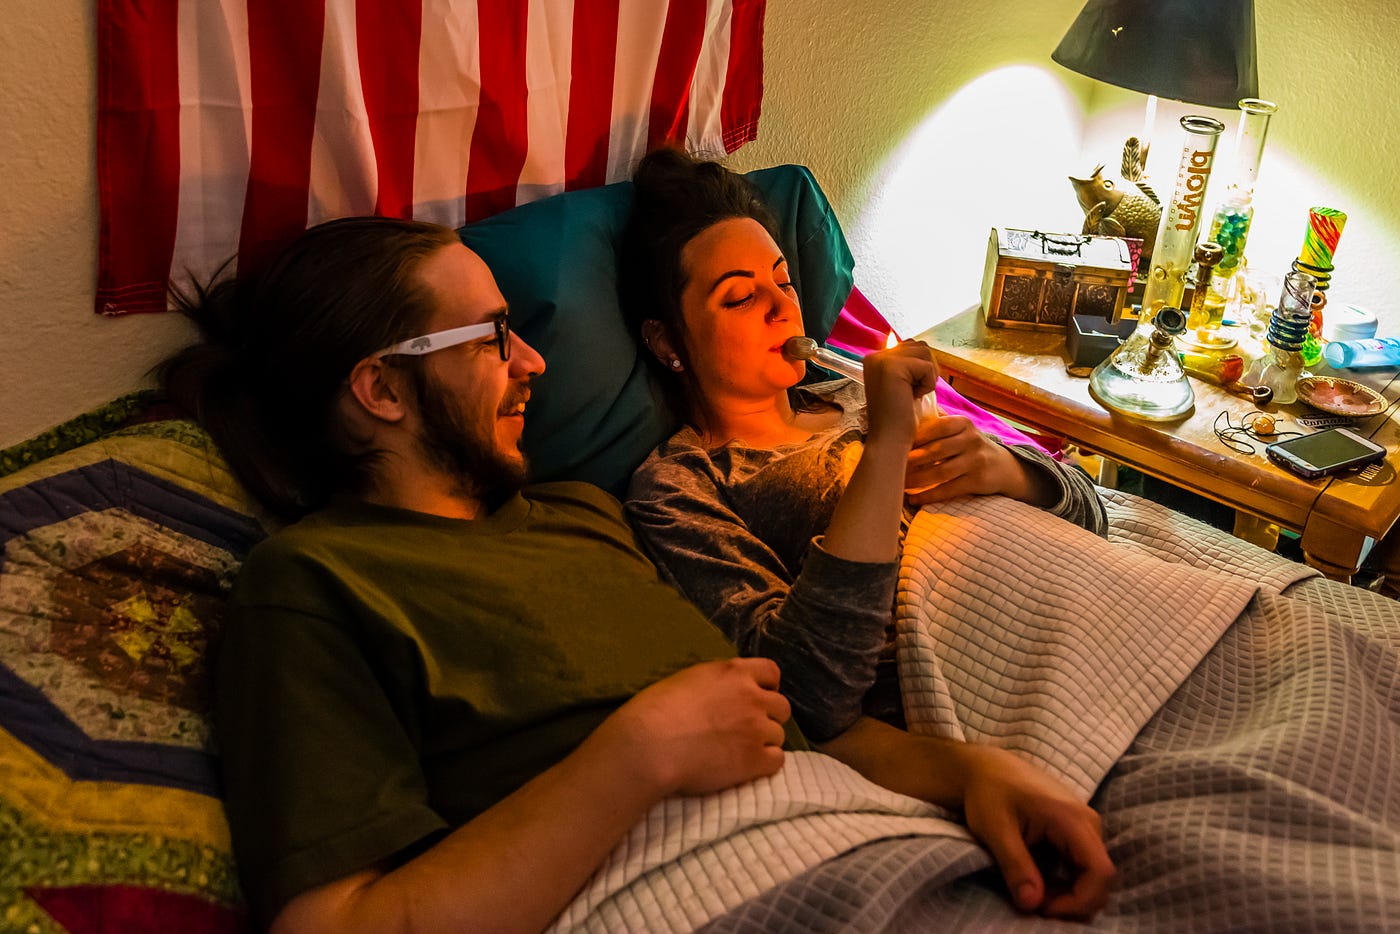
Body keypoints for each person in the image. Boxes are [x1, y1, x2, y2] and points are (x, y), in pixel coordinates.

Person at [158, 216, 1114, 933]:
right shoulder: (313, 583)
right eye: (493, 338)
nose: (532, 360)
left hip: (874, 832)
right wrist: (633, 759)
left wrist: (973, 773)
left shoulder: (583, 514)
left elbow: (798, 724)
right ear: (381, 388)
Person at [619, 147, 1108, 741]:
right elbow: (806, 692)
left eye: (784, 280)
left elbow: (1093, 513)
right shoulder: (682, 482)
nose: (783, 308)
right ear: (667, 339)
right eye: (741, 297)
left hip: (1087, 590)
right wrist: (885, 452)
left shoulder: (850, 394)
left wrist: (1010, 472)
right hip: (1006, 681)